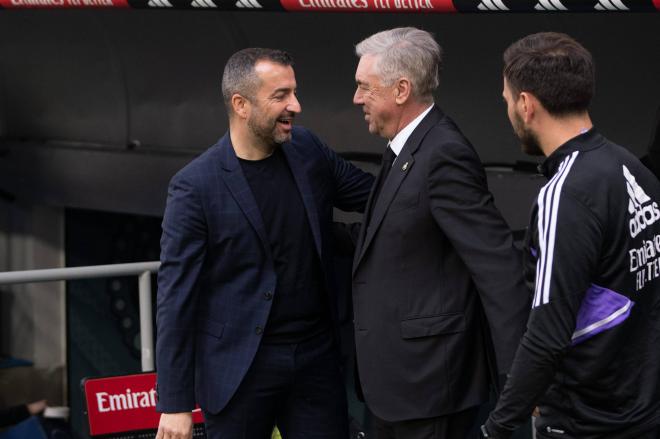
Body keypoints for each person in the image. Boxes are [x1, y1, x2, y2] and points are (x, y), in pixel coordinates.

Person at [155, 48, 374, 439]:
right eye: (281, 95)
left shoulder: (307, 149)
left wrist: (426, 167)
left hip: (316, 360)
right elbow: (176, 298)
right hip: (238, 370)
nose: (296, 105)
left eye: (294, 92)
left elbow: (377, 198)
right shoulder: (195, 187)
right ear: (241, 104)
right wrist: (175, 404)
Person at [350, 27, 530, 439]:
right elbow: (400, 235)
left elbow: (497, 264)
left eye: (365, 88)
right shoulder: (406, 148)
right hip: (396, 387)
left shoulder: (443, 153)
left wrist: (521, 377)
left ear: (401, 90)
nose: (358, 98)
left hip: (428, 387)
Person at [481, 32, 660, 439]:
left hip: (586, 423)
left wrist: (497, 427)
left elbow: (546, 335)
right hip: (640, 414)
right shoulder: (633, 169)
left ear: (526, 105)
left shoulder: (566, 194)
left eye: (507, 100)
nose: (508, 110)